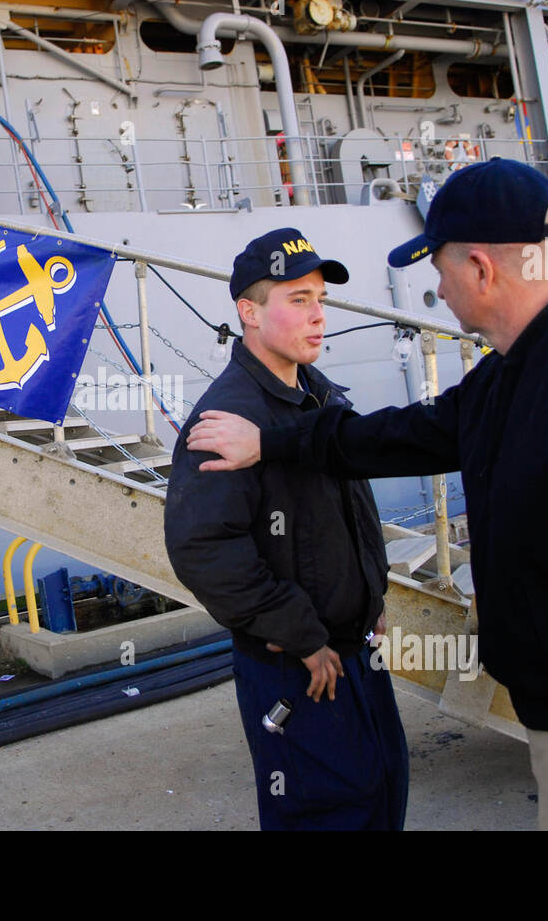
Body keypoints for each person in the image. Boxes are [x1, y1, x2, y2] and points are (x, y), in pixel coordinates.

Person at [186, 159, 548, 831]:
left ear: (482, 271)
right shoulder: (515, 375)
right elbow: (411, 434)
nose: (434, 286)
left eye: (438, 268)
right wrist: (275, 441)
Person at [163, 227, 407, 830]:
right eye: (299, 300)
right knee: (325, 812)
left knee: (380, 796)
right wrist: (299, 633)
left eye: (321, 299)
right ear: (248, 312)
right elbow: (202, 547)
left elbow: (349, 510)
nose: (319, 316)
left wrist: (370, 594)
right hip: (299, 669)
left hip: (353, 654)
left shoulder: (319, 397)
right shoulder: (229, 418)